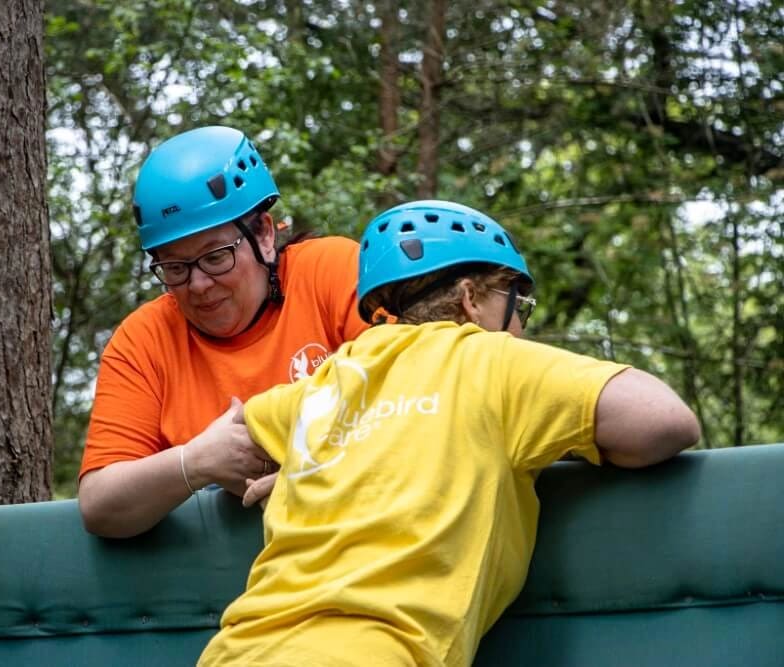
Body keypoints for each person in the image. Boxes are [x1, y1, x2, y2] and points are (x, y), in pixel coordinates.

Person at [198, 200, 701, 666]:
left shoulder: (328, 380)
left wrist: (302, 467)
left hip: (235, 651)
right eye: (516, 305)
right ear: (471, 298)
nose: (521, 326)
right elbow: (665, 421)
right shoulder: (493, 361)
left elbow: (234, 440)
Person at [78, 126, 369, 538]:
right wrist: (194, 462)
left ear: (264, 235)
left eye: (216, 257)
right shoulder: (143, 340)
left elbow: (426, 401)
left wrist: (318, 476)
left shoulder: (332, 272)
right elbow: (100, 504)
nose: (197, 285)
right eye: (175, 268)